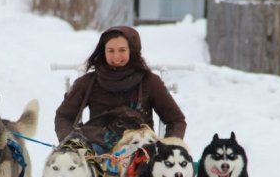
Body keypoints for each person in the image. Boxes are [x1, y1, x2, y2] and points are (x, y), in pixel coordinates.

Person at [54, 26, 187, 153]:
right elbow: (64, 116)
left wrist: (167, 148)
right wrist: (72, 144)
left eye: (122, 50)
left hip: (140, 152)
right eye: (111, 51)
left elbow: (176, 120)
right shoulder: (88, 82)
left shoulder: (150, 82)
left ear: (132, 51)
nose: (116, 57)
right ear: (103, 52)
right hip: (97, 150)